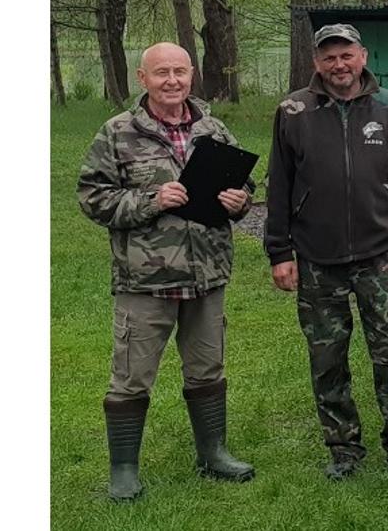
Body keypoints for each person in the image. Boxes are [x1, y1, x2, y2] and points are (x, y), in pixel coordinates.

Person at [77, 43, 256, 501]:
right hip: (145, 280)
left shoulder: (213, 128)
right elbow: (92, 198)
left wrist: (241, 202)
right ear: (143, 78)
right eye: (162, 73)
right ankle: (123, 470)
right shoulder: (117, 132)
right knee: (132, 376)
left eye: (179, 71)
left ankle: (213, 453)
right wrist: (149, 201)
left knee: (207, 368)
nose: (172, 81)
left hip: (207, 274)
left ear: (191, 75)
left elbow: (241, 184)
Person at [265, 23, 388, 479]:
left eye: (347, 55)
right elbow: (278, 186)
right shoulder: (294, 111)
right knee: (327, 360)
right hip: (318, 260)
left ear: (362, 57)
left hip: (382, 256)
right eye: (329, 57)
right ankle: (343, 448)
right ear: (317, 62)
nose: (339, 65)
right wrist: (280, 252)